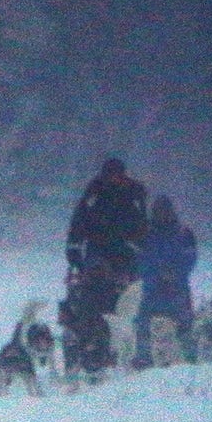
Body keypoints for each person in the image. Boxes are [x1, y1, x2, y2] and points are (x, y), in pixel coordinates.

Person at [61, 157, 148, 378]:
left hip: (123, 254)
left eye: (116, 175)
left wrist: (136, 247)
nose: (113, 179)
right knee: (90, 300)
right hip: (96, 253)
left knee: (124, 303)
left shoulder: (134, 194)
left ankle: (122, 352)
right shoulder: (93, 194)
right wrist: (74, 250)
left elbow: (141, 225)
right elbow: (78, 223)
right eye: (110, 175)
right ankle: (91, 347)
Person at [135, 194, 198, 365]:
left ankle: (191, 359)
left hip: (177, 290)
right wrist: (156, 275)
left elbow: (190, 259)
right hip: (152, 291)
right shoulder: (145, 234)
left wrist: (174, 274)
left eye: (165, 211)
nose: (162, 215)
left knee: (185, 323)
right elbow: (140, 262)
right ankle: (143, 358)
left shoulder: (184, 233)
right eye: (158, 211)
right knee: (141, 322)